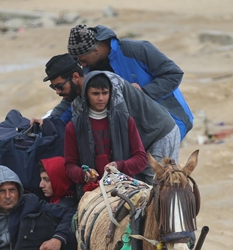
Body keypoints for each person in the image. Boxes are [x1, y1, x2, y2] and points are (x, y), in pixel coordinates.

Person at [43, 54, 180, 184]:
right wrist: (48, 121)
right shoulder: (77, 103)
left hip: (158, 135)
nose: (57, 92)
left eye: (59, 86)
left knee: (157, 191)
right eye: (53, 87)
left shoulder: (108, 84)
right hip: (139, 144)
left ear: (75, 77)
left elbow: (119, 134)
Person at [66, 24, 194, 139]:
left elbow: (173, 73)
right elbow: (75, 98)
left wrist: (142, 93)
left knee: (162, 165)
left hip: (171, 120)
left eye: (82, 60)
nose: (81, 65)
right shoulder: (89, 71)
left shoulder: (137, 50)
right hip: (136, 131)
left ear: (95, 51)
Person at [63, 72, 148, 190]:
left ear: (110, 93)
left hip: (124, 187)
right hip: (92, 190)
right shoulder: (74, 126)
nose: (101, 98)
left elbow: (141, 159)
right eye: (95, 94)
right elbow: (69, 166)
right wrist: (85, 175)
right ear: (86, 95)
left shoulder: (125, 120)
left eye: (105, 93)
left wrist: (119, 166)